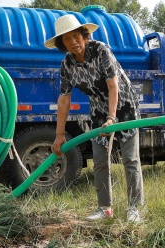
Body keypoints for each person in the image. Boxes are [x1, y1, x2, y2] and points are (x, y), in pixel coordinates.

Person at [47, 14, 144, 222]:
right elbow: (64, 99)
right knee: (100, 160)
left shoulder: (100, 50)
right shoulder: (67, 65)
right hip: (98, 109)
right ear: (62, 43)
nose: (73, 42)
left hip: (124, 105)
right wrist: (59, 135)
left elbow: (113, 86)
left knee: (130, 159)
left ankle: (134, 209)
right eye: (67, 39)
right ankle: (105, 208)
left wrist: (112, 117)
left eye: (76, 36)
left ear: (84, 35)